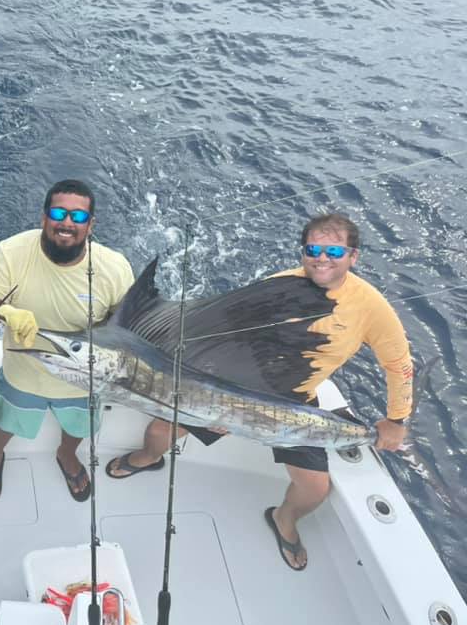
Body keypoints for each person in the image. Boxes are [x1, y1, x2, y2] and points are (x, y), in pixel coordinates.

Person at [106, 213, 413, 571]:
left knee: (315, 488)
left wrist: (397, 419)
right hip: (233, 391)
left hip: (294, 401)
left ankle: (284, 519)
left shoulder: (372, 307)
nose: (322, 258)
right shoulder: (278, 286)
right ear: (303, 251)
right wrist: (223, 409)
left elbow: (399, 364)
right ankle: (148, 458)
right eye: (313, 248)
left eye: (334, 250)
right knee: (159, 430)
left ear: (353, 256)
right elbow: (234, 343)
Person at [0, 179, 135, 501]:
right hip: (23, 375)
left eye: (77, 217)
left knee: (78, 428)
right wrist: (6, 312)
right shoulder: (12, 251)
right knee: (4, 424)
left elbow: (128, 328)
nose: (66, 222)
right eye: (58, 213)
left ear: (90, 225)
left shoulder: (115, 268)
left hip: (82, 380)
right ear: (43, 217)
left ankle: (66, 454)